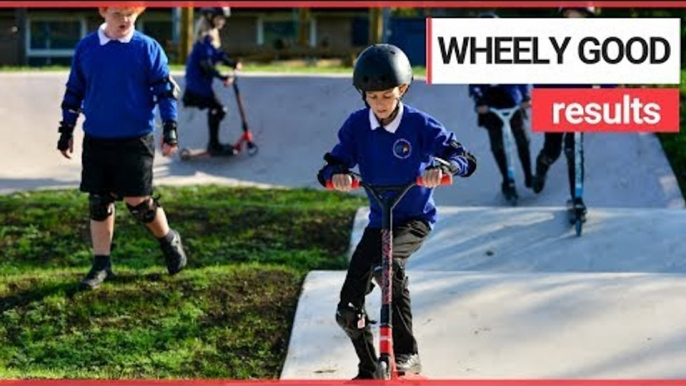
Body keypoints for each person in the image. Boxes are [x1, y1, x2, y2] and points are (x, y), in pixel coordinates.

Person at [316, 44, 477, 380]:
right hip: (379, 220)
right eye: (372, 97)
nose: (380, 105)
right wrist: (338, 176)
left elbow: (463, 156)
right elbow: (331, 165)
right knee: (348, 310)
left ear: (402, 89)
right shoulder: (358, 125)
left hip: (414, 219)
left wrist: (446, 168)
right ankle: (370, 368)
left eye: (387, 96)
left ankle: (406, 354)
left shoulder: (418, 124)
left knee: (388, 267)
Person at [57, 5, 188, 290]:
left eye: (131, 13)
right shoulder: (87, 48)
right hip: (97, 137)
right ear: (103, 12)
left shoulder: (147, 48)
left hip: (135, 138)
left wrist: (170, 128)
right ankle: (101, 265)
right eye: (118, 13)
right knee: (99, 201)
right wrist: (66, 129)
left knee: (137, 202)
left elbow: (165, 92)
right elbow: (74, 90)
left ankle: (168, 239)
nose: (125, 20)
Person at [531, 6, 598, 221]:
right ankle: (542, 164)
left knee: (574, 151)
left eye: (584, 17)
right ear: (565, 15)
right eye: (574, 16)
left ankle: (577, 198)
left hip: (580, 106)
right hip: (554, 104)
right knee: (553, 150)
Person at [182, 7, 243, 155]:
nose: (223, 21)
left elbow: (219, 55)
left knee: (217, 109)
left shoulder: (211, 38)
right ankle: (214, 146)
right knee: (219, 109)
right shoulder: (204, 40)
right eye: (220, 18)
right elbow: (206, 66)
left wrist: (233, 64)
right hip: (196, 89)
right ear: (210, 17)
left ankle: (213, 145)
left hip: (202, 88)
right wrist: (223, 77)